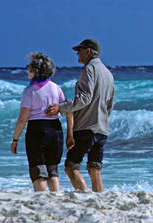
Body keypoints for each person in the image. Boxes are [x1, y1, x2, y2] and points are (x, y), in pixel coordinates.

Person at [45, 39, 115, 192]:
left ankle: (85, 198)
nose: (77, 53)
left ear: (88, 51)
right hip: (102, 129)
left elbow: (85, 98)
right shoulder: (108, 74)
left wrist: (60, 108)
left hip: (86, 127)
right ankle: (99, 201)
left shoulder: (89, 69)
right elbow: (109, 105)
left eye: (80, 50)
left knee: (71, 167)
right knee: (94, 170)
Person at [11, 52, 74, 192]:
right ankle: (56, 199)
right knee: (53, 170)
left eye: (29, 67)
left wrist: (15, 139)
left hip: (37, 130)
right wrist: (70, 134)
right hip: (56, 131)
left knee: (38, 170)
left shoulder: (29, 91)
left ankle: (41, 200)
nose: (27, 69)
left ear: (34, 71)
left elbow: (22, 119)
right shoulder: (56, 88)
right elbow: (69, 111)